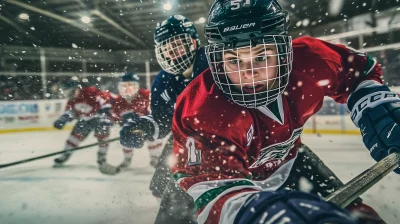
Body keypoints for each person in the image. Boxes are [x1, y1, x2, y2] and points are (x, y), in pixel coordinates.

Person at [171, 0, 395, 223]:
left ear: (283, 51)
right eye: (233, 60)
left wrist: (380, 110)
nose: (249, 73)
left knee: (361, 219)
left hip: (291, 163)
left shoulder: (310, 60)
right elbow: (215, 189)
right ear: (217, 61)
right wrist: (257, 214)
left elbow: (357, 71)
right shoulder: (202, 107)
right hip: (216, 187)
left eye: (260, 56)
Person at [119, 15, 209, 223]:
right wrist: (142, 128)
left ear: (193, 42)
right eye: (166, 48)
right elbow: (161, 120)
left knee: (183, 201)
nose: (172, 53)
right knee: (160, 184)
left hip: (222, 142)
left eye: (177, 45)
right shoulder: (164, 79)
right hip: (185, 140)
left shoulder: (212, 62)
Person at [109, 72, 164, 168]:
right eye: (124, 86)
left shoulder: (146, 95)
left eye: (131, 85)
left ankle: (155, 158)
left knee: (154, 138)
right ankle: (127, 158)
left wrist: (147, 126)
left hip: (147, 128)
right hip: (130, 129)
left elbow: (157, 112)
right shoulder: (118, 101)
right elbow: (116, 118)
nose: (127, 88)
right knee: (125, 138)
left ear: (137, 86)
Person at [53, 79, 112, 166]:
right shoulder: (72, 100)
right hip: (85, 119)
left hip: (99, 119)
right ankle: (66, 154)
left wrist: (104, 113)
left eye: (70, 92)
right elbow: (71, 112)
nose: (69, 94)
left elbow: (104, 100)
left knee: (103, 137)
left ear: (76, 88)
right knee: (73, 137)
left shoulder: (90, 91)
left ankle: (101, 156)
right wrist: (62, 120)